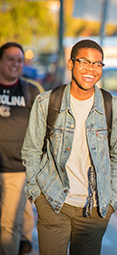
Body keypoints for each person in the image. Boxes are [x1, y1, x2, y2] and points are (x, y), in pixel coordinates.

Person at [21, 39, 117, 255]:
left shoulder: (113, 107)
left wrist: (111, 202)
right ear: (71, 64)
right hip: (53, 202)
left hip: (94, 210)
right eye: (84, 62)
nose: (91, 69)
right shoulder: (46, 102)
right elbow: (31, 149)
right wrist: (36, 194)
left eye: (97, 64)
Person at [0, 42, 40, 255]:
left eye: (19, 60)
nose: (15, 64)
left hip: (16, 170)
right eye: (10, 59)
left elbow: (41, 130)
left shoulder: (30, 91)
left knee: (9, 227)